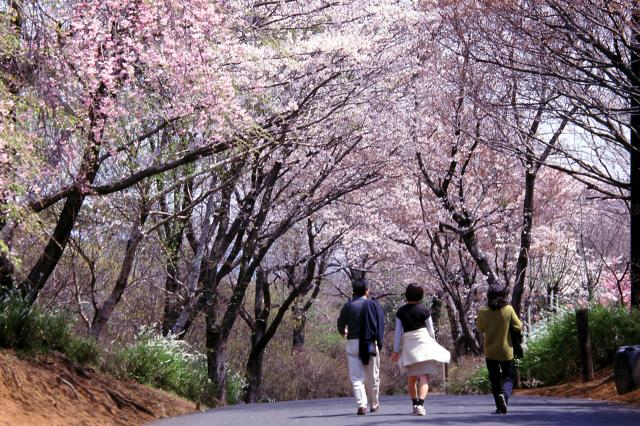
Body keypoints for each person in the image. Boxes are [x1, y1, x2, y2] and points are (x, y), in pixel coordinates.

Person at [391, 284, 450, 416]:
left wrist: (395, 351)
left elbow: (397, 333)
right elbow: (431, 331)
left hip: (409, 345)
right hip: (424, 343)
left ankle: (414, 404)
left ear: (406, 294)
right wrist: (433, 345)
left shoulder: (401, 312)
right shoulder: (424, 310)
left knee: (411, 377)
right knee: (424, 376)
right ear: (421, 295)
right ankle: (420, 405)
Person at [337, 278, 384, 415]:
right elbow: (380, 324)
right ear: (366, 290)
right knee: (372, 376)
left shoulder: (348, 306)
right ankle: (374, 404)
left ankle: (361, 404)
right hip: (369, 343)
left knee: (356, 377)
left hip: (353, 343)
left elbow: (341, 324)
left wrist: (343, 332)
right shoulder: (373, 305)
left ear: (353, 291)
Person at [476, 284, 523, 414]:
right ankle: (504, 396)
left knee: (495, 379)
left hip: (490, 350)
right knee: (508, 377)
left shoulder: (482, 311)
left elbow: (480, 329)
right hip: (506, 350)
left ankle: (498, 405)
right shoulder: (508, 309)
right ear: (504, 296)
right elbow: (518, 326)